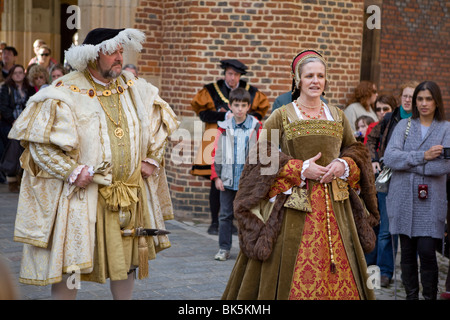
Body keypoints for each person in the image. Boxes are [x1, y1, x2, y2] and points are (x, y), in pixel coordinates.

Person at [8, 28, 179, 300]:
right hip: (83, 198)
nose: (119, 58)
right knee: (72, 266)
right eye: (113, 52)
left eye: (121, 52)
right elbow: (39, 145)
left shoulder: (136, 88)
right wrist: (72, 171)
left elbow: (160, 124)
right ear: (92, 55)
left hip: (129, 195)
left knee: (127, 264)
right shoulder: (64, 91)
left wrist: (152, 158)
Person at [222, 49, 379, 300]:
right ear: (298, 80)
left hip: (337, 207)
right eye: (309, 76)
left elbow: (355, 148)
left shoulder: (337, 115)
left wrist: (344, 163)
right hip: (295, 205)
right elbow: (261, 153)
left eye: (320, 76)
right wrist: (300, 168)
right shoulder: (282, 115)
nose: (315, 81)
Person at [384, 80, 450, 300]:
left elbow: (444, 165)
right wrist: (422, 156)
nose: (423, 103)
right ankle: (411, 296)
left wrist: (408, 165)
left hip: (431, 201)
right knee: (407, 254)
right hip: (403, 198)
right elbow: (390, 157)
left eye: (428, 99)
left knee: (427, 253)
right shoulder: (404, 126)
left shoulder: (446, 128)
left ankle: (430, 296)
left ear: (436, 101)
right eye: (419, 99)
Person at [191, 59, 270, 235]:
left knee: (238, 184)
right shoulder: (211, 90)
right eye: (229, 73)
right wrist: (222, 115)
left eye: (236, 74)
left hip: (242, 142)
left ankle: (233, 222)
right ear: (224, 73)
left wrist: (243, 116)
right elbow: (202, 113)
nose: (232, 77)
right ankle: (214, 222)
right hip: (216, 136)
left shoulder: (250, 92)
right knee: (216, 181)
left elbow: (260, 112)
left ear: (240, 76)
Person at [211, 88, 262, 261]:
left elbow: (260, 154)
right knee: (225, 215)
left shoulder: (256, 127)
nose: (239, 109)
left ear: (248, 106)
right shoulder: (223, 128)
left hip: (246, 182)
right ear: (230, 106)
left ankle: (246, 249)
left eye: (243, 105)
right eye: (236, 105)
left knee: (246, 215)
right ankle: (224, 248)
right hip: (226, 179)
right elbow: (215, 153)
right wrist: (216, 177)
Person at [363, 94, 398, 287]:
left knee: (386, 227)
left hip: (393, 177)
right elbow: (367, 144)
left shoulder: (398, 124)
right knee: (372, 222)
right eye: (378, 109)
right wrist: (374, 159)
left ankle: (385, 271)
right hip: (374, 179)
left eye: (386, 109)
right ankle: (370, 268)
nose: (382, 113)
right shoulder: (373, 126)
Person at [0, 64, 36, 192]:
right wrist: (13, 120)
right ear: (11, 74)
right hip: (10, 123)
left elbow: (33, 106)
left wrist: (25, 121)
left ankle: (20, 175)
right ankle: (12, 178)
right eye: (15, 73)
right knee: (14, 145)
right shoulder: (6, 88)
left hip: (27, 123)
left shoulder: (30, 88)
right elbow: (3, 107)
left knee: (25, 148)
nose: (18, 75)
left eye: (20, 72)